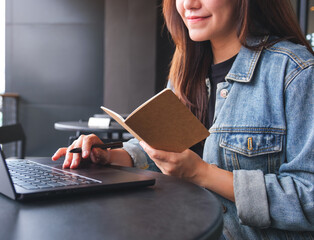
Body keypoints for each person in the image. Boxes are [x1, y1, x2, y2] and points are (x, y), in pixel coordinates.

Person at [52, 0, 314, 238]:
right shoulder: (187, 72)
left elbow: (309, 199)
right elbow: (167, 152)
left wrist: (202, 173)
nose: (189, 4)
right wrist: (108, 157)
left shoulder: (295, 72)